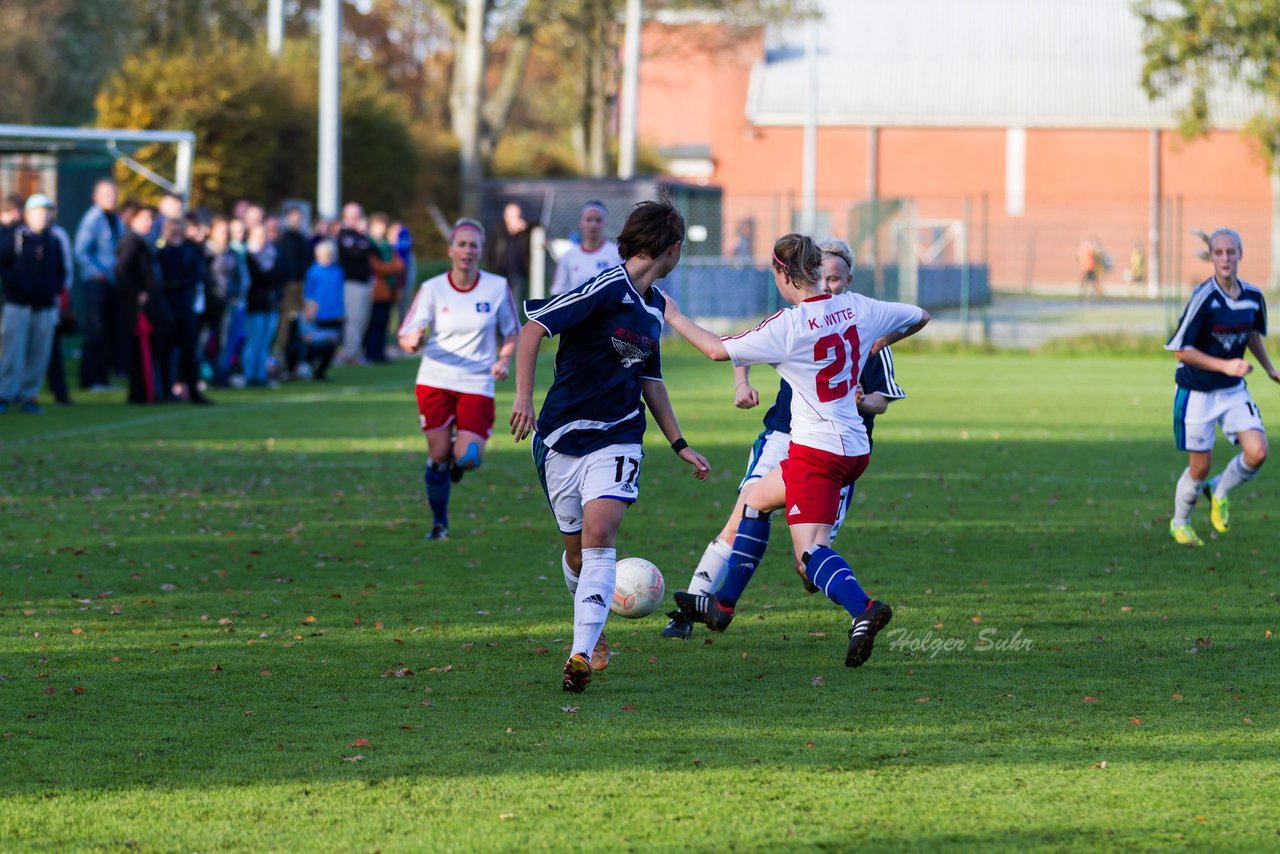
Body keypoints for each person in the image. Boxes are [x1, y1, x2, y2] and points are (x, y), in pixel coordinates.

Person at [663, 233, 928, 668]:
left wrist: (673, 315)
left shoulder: (789, 326)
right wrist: (876, 342)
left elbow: (716, 349)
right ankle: (722, 606)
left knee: (810, 553)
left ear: (785, 275)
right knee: (754, 500)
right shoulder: (858, 307)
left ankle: (864, 610)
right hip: (853, 446)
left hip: (818, 453)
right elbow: (920, 316)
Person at [509, 195, 711, 694]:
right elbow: (533, 330)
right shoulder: (605, 288)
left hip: (619, 436)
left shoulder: (654, 307)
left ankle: (580, 651)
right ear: (672, 248)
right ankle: (591, 627)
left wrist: (678, 442)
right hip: (559, 437)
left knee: (601, 536)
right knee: (576, 554)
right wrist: (523, 399)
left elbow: (651, 381)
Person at [398, 219, 520, 541]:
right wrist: (412, 341)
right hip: (435, 378)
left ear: (481, 250)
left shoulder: (496, 287)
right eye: (462, 244)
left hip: (477, 381)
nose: (467, 251)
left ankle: (456, 455)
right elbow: (408, 332)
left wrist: (504, 360)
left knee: (468, 458)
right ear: (451, 249)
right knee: (438, 455)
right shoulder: (433, 288)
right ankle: (440, 524)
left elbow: (511, 332)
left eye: (473, 245)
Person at [1165, 228, 1279, 546]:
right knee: (1199, 467)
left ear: (1240, 254)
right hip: (1197, 392)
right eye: (1219, 252)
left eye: (1231, 252)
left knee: (1257, 452)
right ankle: (1180, 522)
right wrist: (1225, 365)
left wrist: (1271, 368)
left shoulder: (1253, 297)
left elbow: (1251, 334)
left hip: (1232, 390)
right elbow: (1180, 349)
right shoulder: (1204, 298)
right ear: (1211, 257)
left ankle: (1220, 489)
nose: (1226, 258)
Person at [0, 194, 68, 414]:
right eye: (39, 212)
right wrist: (17, 288)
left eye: (47, 212)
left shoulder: (54, 241)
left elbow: (61, 272)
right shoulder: (15, 238)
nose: (44, 217)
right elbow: (4, 267)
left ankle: (29, 396)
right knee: (12, 353)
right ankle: (5, 394)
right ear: (28, 215)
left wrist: (52, 290)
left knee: (39, 355)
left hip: (45, 307)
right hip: (18, 305)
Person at [115, 204, 169, 404]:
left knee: (148, 349)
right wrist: (137, 293)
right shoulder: (132, 242)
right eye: (145, 218)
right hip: (138, 308)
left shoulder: (144, 242)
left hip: (146, 303)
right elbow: (121, 270)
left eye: (151, 219)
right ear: (133, 219)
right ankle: (141, 393)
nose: (149, 223)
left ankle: (146, 392)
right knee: (141, 350)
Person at [157, 216, 212, 404]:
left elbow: (197, 275)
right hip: (167, 309)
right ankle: (167, 390)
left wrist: (177, 283)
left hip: (186, 308)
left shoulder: (191, 251)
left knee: (190, 352)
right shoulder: (161, 251)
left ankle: (193, 390)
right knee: (166, 352)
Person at [74, 178, 123, 391]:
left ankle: (103, 378)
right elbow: (81, 251)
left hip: (112, 284)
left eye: (113, 194)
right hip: (96, 284)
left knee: (108, 332)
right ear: (96, 197)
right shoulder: (92, 219)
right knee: (95, 330)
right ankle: (90, 379)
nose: (110, 198)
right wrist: (98, 273)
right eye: (105, 195)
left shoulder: (115, 219)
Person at [550, 201, 622, 296]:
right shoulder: (568, 256)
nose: (593, 225)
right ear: (581, 222)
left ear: (606, 223)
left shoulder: (617, 254)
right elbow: (558, 291)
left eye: (598, 220)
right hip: (577, 310)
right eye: (589, 220)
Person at [298, 240, 345, 380]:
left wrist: (341, 311)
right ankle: (310, 368)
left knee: (332, 344)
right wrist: (309, 310)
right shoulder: (313, 272)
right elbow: (308, 293)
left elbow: (340, 293)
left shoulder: (337, 271)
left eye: (330, 255)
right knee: (315, 344)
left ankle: (322, 371)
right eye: (324, 255)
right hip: (318, 313)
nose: (327, 258)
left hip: (333, 313)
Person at [45, 202, 76, 406]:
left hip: (51, 301)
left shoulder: (58, 236)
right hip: (23, 302)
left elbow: (66, 269)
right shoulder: (20, 236)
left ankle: (59, 391)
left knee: (52, 346)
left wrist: (61, 296)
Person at [243, 223, 282, 387]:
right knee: (254, 341)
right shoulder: (248, 255)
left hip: (270, 304)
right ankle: (249, 375)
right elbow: (261, 278)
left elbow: (277, 276)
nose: (262, 238)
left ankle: (261, 375)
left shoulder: (272, 254)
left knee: (266, 342)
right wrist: (270, 275)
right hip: (255, 305)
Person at [363, 212, 405, 363]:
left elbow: (400, 264)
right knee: (374, 322)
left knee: (384, 323)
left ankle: (380, 352)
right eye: (378, 225)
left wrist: (390, 267)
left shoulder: (387, 245)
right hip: (377, 290)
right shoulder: (370, 245)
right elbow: (377, 267)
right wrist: (391, 267)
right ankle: (371, 353)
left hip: (389, 290)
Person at [336, 202, 374, 364]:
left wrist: (364, 236)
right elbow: (357, 252)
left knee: (362, 320)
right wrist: (363, 239)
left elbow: (373, 249)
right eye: (352, 215)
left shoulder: (361, 235)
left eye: (357, 215)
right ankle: (350, 354)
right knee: (353, 319)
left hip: (365, 282)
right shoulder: (344, 234)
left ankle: (357, 352)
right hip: (352, 283)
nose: (355, 219)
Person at [487, 202, 531, 307]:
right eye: (515, 216)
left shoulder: (525, 232)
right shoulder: (498, 231)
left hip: (517, 274)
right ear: (506, 217)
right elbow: (490, 253)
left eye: (519, 216)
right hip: (500, 273)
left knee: (515, 305)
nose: (517, 219)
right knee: (497, 303)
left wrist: (526, 226)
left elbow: (540, 225)